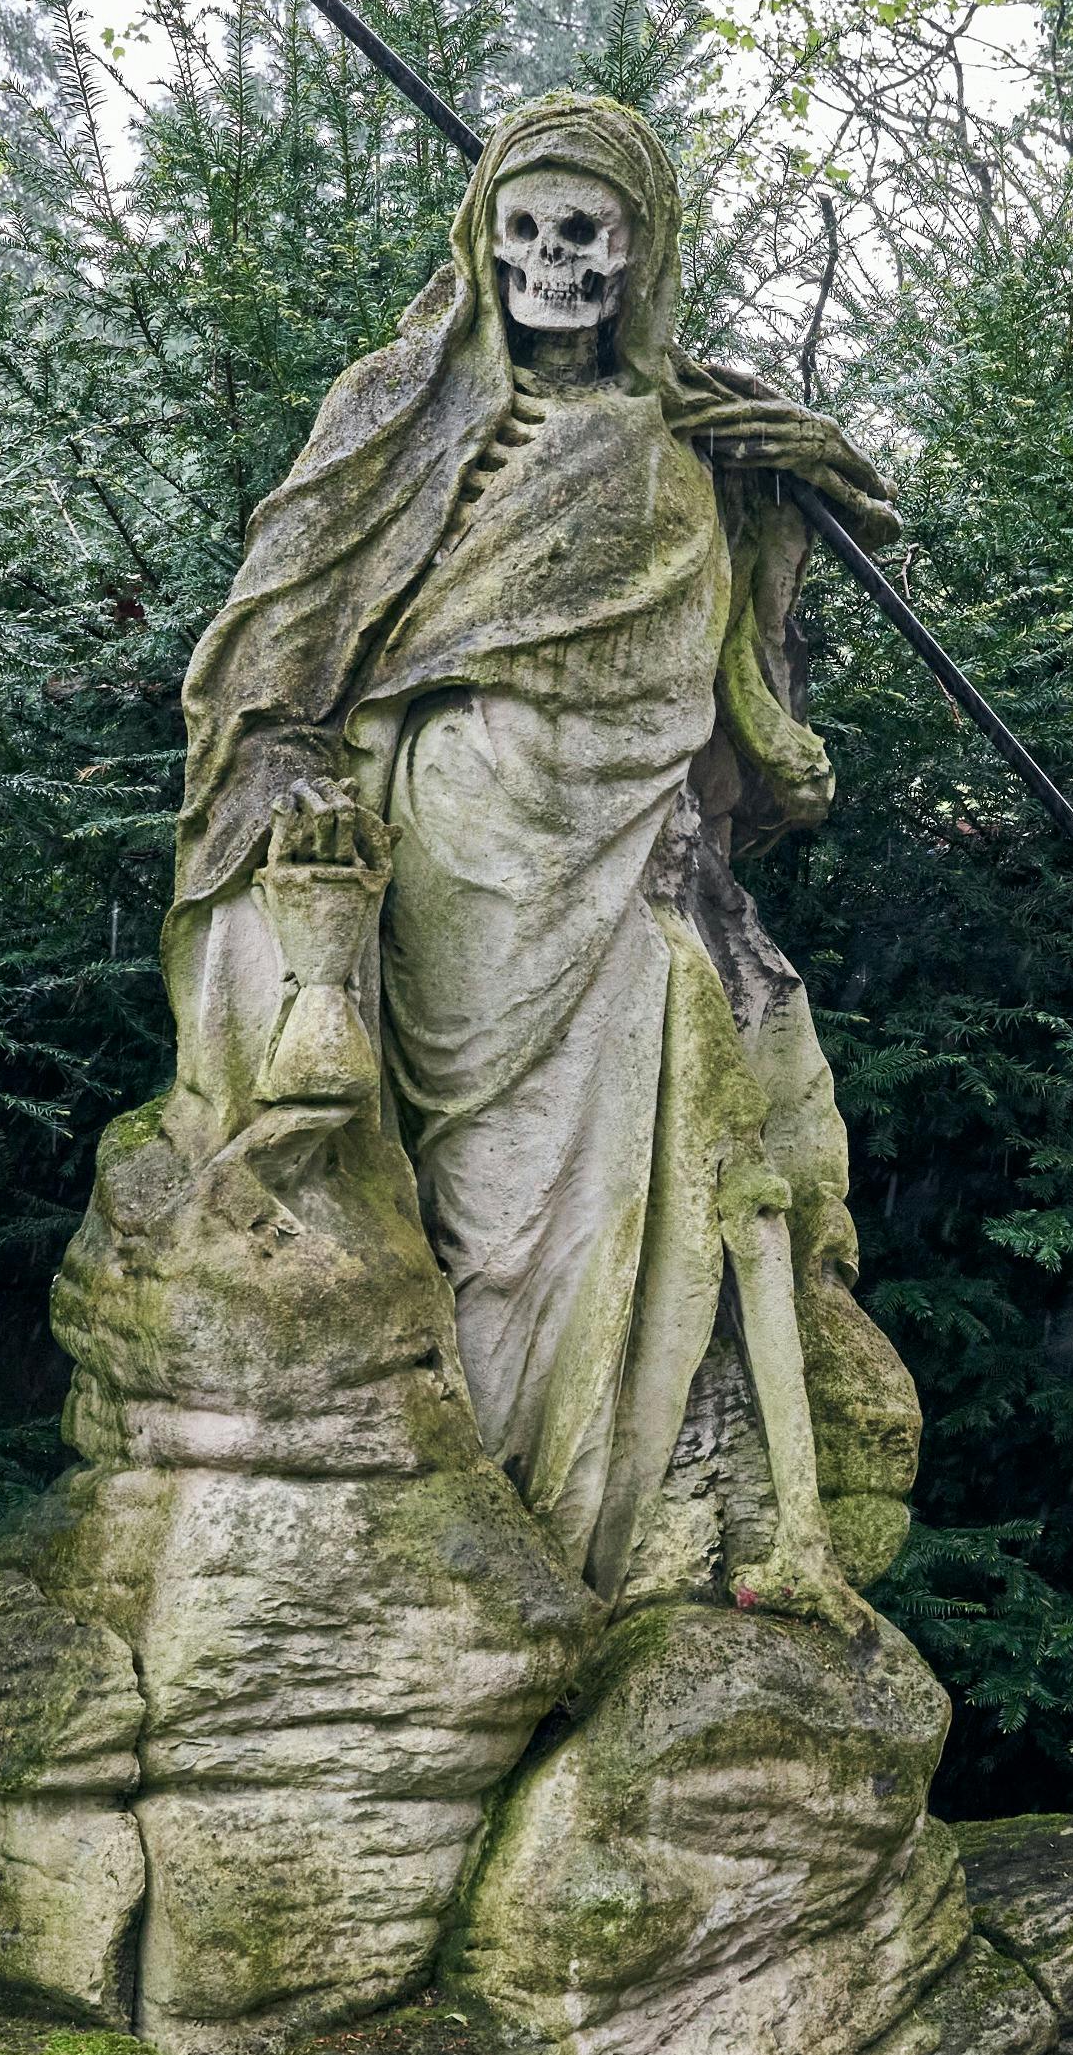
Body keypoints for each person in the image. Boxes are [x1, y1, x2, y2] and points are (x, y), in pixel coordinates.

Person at [156, 93, 907, 1621]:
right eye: (526, 231)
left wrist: (815, 470)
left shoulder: (696, 440)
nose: (552, 263)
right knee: (478, 1220)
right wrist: (295, 768)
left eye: (587, 235)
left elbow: (783, 646)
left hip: (627, 863)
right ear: (484, 242)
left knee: (629, 1214)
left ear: (639, 254)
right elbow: (276, 640)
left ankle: (599, 1561)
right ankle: (462, 1569)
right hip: (454, 852)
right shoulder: (401, 411)